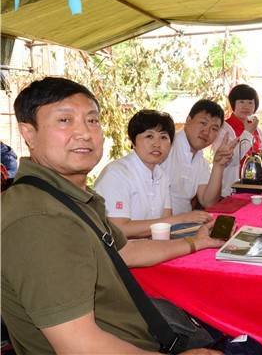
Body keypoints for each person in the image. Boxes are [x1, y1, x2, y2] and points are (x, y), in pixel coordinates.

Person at [1, 77, 224, 354]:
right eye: (65, 120)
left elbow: (125, 251)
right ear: (29, 133)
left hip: (141, 332)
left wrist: (195, 243)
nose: (84, 133)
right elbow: (78, 345)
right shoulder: (40, 218)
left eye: (92, 120)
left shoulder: (68, 196)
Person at [95, 110, 213, 238]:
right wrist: (182, 218)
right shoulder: (116, 174)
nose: (157, 144)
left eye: (163, 137)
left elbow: (165, 223)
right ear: (133, 141)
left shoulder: (161, 175)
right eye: (149, 136)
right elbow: (119, 229)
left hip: (151, 246)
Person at [162, 99, 237, 214]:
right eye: (203, 123)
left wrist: (218, 166)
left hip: (187, 221)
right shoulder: (166, 147)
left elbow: (208, 201)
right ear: (188, 120)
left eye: (214, 129)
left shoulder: (200, 160)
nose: (206, 132)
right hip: (161, 223)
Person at [212, 84, 262, 196]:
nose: (246, 106)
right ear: (233, 104)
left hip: (255, 188)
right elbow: (231, 159)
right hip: (230, 190)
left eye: (250, 102)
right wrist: (248, 133)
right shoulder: (223, 128)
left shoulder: (258, 130)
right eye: (241, 102)